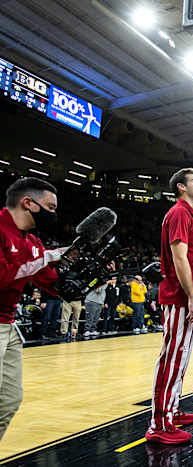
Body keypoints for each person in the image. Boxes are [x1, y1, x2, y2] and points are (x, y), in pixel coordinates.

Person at [146, 168, 193, 445]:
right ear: (181, 187)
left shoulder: (189, 214)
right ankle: (159, 424)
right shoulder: (180, 212)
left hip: (183, 296)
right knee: (171, 357)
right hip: (178, 296)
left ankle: (172, 409)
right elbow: (179, 259)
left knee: (179, 357)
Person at [0, 177, 62, 440]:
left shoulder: (33, 242)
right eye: (49, 207)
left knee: (9, 401)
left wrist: (85, 272)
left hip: (8, 325)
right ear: (28, 203)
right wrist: (46, 257)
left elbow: (52, 284)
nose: (54, 214)